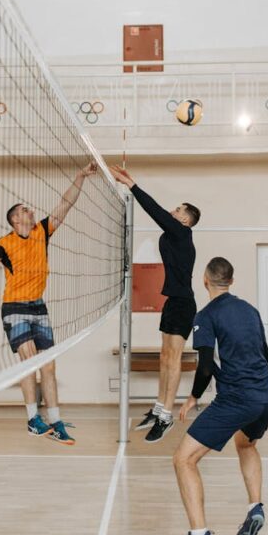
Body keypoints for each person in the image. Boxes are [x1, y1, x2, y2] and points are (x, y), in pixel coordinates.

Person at [0, 162, 98, 445]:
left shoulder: (41, 232)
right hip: (15, 308)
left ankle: (56, 422)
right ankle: (33, 419)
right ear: (14, 219)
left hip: (38, 307)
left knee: (49, 367)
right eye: (24, 210)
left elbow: (65, 204)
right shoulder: (3, 244)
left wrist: (80, 177)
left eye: (29, 209)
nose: (30, 211)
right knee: (30, 362)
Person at [170, 257, 268, 535]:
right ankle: (255, 507)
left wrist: (192, 398)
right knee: (245, 443)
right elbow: (267, 357)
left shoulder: (205, 315)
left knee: (183, 459)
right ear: (231, 281)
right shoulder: (250, 310)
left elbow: (205, 366)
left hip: (237, 399)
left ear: (205, 281)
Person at [109, 165, 200, 443]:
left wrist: (132, 185)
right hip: (173, 302)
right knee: (164, 358)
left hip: (184, 304)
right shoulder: (175, 234)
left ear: (186, 220)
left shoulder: (181, 233)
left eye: (178, 209)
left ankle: (166, 417)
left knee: (173, 361)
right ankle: (159, 408)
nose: (174, 211)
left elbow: (156, 212)